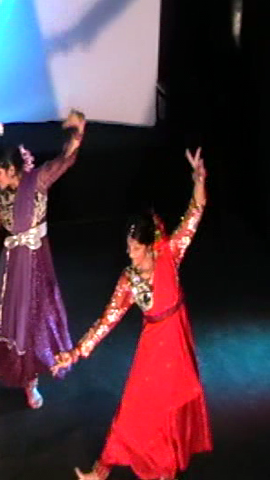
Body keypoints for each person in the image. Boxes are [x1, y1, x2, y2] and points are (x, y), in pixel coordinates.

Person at [53, 148, 212, 480]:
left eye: (136, 249)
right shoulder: (128, 280)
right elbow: (107, 320)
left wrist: (198, 180)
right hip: (153, 347)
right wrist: (75, 352)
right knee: (134, 409)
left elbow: (195, 213)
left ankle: (164, 469)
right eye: (128, 248)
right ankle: (102, 470)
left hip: (177, 343)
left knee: (170, 411)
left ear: (151, 245)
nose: (131, 255)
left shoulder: (170, 256)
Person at [0, 110, 86, 408]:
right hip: (11, 269)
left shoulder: (37, 181)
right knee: (2, 326)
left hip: (36, 266)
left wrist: (77, 133)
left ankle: (30, 385)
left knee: (30, 325)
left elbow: (65, 160)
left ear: (12, 169)